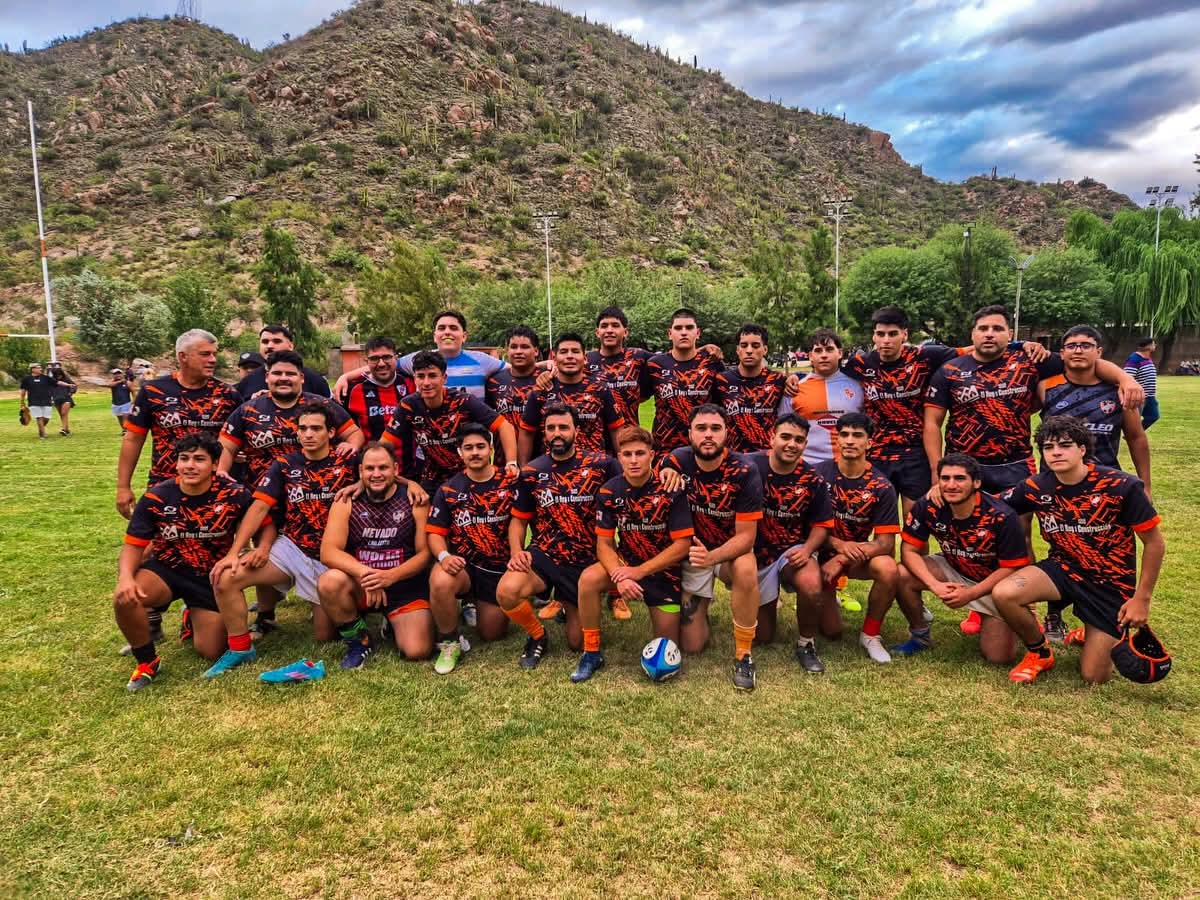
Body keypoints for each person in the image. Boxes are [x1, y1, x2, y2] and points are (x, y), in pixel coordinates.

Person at [924, 305, 1141, 635]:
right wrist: (935, 474)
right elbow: (932, 423)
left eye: (997, 328)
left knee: (1020, 536)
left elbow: (1083, 360)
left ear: (1009, 334)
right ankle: (978, 604)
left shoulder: (1029, 359)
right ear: (972, 333)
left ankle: (1022, 607)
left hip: (1015, 463)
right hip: (966, 465)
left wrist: (1125, 377)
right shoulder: (951, 370)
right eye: (983, 328)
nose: (989, 334)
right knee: (971, 533)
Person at [993, 416, 1164, 684]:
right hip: (1062, 569)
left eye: (1065, 445)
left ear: (1082, 449)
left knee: (1094, 676)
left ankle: (1094, 630)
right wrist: (946, 492)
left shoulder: (1121, 486)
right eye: (1048, 447)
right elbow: (990, 505)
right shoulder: (1036, 487)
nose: (1056, 452)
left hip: (1109, 583)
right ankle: (1039, 652)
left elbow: (1155, 543)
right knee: (1005, 593)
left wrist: (1142, 599)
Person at [205, 403, 361, 676]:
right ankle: (240, 648)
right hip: (292, 547)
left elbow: (385, 476)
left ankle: (351, 618)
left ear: (331, 432)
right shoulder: (284, 464)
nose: (308, 434)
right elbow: (259, 507)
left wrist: (365, 483)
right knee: (226, 578)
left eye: (316, 428)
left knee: (324, 636)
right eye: (303, 429)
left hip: (332, 556)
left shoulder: (348, 461)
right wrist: (234, 552)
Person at [115, 433, 256, 691]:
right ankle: (147, 661)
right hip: (166, 570)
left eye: (199, 459)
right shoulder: (157, 497)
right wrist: (125, 578)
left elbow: (264, 525)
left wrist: (248, 551)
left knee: (211, 650)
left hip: (209, 577)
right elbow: (133, 546)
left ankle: (191, 615)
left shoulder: (235, 494)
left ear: (215, 464)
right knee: (125, 598)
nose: (190, 465)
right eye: (184, 458)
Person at [1038, 325, 1153, 642]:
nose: (1078, 350)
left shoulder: (1118, 392)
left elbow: (1136, 438)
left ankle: (1108, 613)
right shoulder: (1046, 387)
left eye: (1086, 345)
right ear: (1062, 352)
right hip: (1056, 485)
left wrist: (1145, 484)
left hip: (1105, 484)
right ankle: (1054, 614)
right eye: (1071, 345)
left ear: (1099, 352)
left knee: (1107, 548)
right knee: (1061, 545)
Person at [496, 404, 622, 668]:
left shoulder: (602, 465)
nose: (557, 433)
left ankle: (568, 601)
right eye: (551, 428)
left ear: (577, 431)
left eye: (563, 427)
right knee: (507, 591)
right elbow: (518, 520)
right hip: (546, 555)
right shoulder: (531, 472)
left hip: (587, 559)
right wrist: (517, 551)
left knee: (577, 643)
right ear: (543, 432)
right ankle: (537, 635)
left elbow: (632, 492)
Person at [571, 426, 694, 683]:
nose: (634, 460)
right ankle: (591, 652)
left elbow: (682, 545)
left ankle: (694, 610)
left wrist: (639, 572)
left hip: (663, 572)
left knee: (671, 645)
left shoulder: (670, 488)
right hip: (626, 564)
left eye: (640, 453)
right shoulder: (609, 491)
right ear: (619, 457)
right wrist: (620, 575)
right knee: (588, 579)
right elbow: (604, 544)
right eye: (627, 454)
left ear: (652, 455)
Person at [658, 404, 763, 690]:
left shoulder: (744, 469)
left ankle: (743, 654)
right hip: (693, 555)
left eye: (715, 429)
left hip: (726, 553)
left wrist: (712, 557)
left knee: (746, 566)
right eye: (701, 428)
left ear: (727, 433)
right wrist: (665, 469)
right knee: (692, 646)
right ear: (689, 433)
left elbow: (747, 538)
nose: (708, 435)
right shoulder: (677, 460)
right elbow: (663, 462)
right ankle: (703, 608)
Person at [898, 453, 1029, 663]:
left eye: (959, 478)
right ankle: (920, 635)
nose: (951, 485)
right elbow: (909, 550)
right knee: (900, 574)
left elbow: (1011, 568)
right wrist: (933, 584)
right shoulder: (928, 505)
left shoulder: (1002, 515)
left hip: (994, 584)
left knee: (999, 658)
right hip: (955, 566)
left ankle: (1012, 617)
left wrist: (970, 594)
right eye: (945, 478)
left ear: (976, 482)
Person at [816, 413, 924, 665]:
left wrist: (842, 558)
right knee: (831, 632)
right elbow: (806, 528)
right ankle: (822, 595)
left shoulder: (881, 485)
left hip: (854, 558)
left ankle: (870, 635)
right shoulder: (818, 474)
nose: (850, 441)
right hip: (818, 554)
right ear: (837, 440)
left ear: (869, 443)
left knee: (888, 567)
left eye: (857, 435)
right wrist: (838, 545)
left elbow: (885, 543)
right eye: (844, 435)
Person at [319, 442, 435, 669]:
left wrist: (390, 576)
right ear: (360, 471)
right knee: (329, 582)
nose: (376, 474)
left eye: (383, 468)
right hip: (362, 583)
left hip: (403, 584)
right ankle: (359, 641)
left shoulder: (415, 500)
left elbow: (425, 555)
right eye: (370, 468)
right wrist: (369, 575)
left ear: (396, 469)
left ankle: (392, 621)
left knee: (417, 650)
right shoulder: (346, 501)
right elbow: (328, 552)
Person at [118, 329, 242, 518]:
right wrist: (123, 487)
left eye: (214, 354)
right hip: (165, 486)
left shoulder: (228, 395)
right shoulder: (153, 392)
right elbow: (133, 439)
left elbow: (243, 439)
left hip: (215, 489)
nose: (213, 360)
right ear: (183, 356)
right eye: (205, 354)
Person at [426, 424, 519, 673]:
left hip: (497, 569)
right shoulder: (449, 489)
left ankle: (476, 606)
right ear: (460, 452)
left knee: (492, 634)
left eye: (480, 446)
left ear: (491, 449)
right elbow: (435, 533)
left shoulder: (510, 483)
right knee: (440, 579)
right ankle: (449, 641)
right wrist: (444, 556)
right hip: (464, 567)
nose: (475, 452)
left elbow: (522, 522)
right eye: (468, 448)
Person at [748, 415, 835, 672]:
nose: (791, 444)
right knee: (763, 637)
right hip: (755, 554)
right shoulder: (749, 466)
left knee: (811, 583)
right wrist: (669, 465)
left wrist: (807, 550)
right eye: (785, 437)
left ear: (805, 444)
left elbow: (822, 524)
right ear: (771, 438)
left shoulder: (813, 478)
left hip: (792, 549)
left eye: (798, 440)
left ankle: (806, 643)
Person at [219, 350, 362, 488]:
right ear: (267, 377)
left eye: (290, 374)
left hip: (316, 491)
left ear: (302, 378)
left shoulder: (323, 405)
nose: (283, 378)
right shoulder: (247, 410)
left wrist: (352, 445)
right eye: (277, 373)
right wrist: (222, 471)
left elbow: (354, 433)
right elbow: (226, 446)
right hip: (261, 494)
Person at [383, 350, 517, 492]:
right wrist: (408, 483)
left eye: (432, 376)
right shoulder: (408, 406)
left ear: (444, 378)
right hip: (432, 480)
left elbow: (504, 426)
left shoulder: (463, 401)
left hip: (469, 476)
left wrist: (511, 463)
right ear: (415, 379)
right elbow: (383, 446)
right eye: (421, 376)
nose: (426, 383)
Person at [334, 310, 508, 402]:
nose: (447, 332)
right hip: (432, 441)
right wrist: (346, 377)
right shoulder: (419, 359)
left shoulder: (482, 360)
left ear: (464, 336)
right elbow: (385, 364)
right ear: (435, 336)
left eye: (453, 328)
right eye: (442, 328)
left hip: (471, 442)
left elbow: (516, 369)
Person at [519, 331, 625, 463]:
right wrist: (523, 468)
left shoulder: (601, 389)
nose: (569, 356)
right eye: (564, 352)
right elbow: (527, 432)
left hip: (594, 468)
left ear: (585, 358)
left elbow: (616, 429)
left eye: (575, 351)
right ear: (555, 359)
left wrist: (623, 465)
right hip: (552, 469)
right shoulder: (541, 391)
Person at [641, 308, 725, 456]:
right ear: (670, 333)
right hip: (665, 450)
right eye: (678, 328)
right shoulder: (655, 365)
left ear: (698, 333)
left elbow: (724, 406)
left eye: (689, 328)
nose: (684, 332)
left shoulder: (712, 363)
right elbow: (637, 399)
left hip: (703, 447)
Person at [788, 328, 864, 466]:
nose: (824, 355)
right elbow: (785, 429)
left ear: (839, 353)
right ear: (810, 356)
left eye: (829, 349)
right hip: (808, 466)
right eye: (818, 351)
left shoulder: (858, 387)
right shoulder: (794, 388)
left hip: (848, 466)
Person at [713, 324, 791, 453]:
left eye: (755, 346)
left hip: (767, 457)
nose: (749, 350)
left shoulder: (778, 380)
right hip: (733, 458)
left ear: (765, 349)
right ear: (737, 350)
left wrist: (793, 378)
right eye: (744, 345)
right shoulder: (721, 381)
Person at [486, 326, 542, 466]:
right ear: (507, 351)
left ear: (536, 351)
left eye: (524, 347)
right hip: (504, 463)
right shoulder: (493, 382)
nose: (518, 352)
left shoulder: (546, 379)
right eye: (513, 347)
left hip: (541, 462)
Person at [236, 324, 331, 400]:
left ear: (290, 346)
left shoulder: (314, 380)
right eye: (265, 342)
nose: (269, 346)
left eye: (277, 341)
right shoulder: (248, 381)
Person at [344, 336, 413, 442]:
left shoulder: (411, 383)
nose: (381, 364)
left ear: (396, 358)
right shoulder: (353, 390)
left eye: (386, 357)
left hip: (409, 453)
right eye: (374, 359)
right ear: (366, 361)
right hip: (371, 452)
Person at [1124, 337, 1159, 430]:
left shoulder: (1147, 358)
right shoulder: (1134, 359)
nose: (1155, 346)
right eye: (1153, 344)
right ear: (1148, 346)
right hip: (1139, 396)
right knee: (1134, 420)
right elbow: (1127, 377)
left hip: (1150, 396)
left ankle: (1136, 433)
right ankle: (1133, 434)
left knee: (1153, 416)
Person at [19, 362, 56, 440]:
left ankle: (41, 429)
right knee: (39, 417)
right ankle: (43, 434)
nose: (40, 369)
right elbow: (23, 391)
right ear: (33, 369)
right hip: (33, 401)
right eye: (38, 368)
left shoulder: (46, 378)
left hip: (46, 401)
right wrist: (22, 402)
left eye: (40, 367)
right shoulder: (26, 379)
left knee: (46, 418)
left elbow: (56, 383)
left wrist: (68, 385)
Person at [47, 361, 76, 436]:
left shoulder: (66, 378)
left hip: (66, 398)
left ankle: (64, 430)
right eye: (57, 375)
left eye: (59, 374)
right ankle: (66, 429)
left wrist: (70, 393)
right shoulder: (52, 380)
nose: (59, 376)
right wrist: (51, 398)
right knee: (62, 415)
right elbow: (49, 390)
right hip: (56, 399)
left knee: (64, 413)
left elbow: (74, 386)